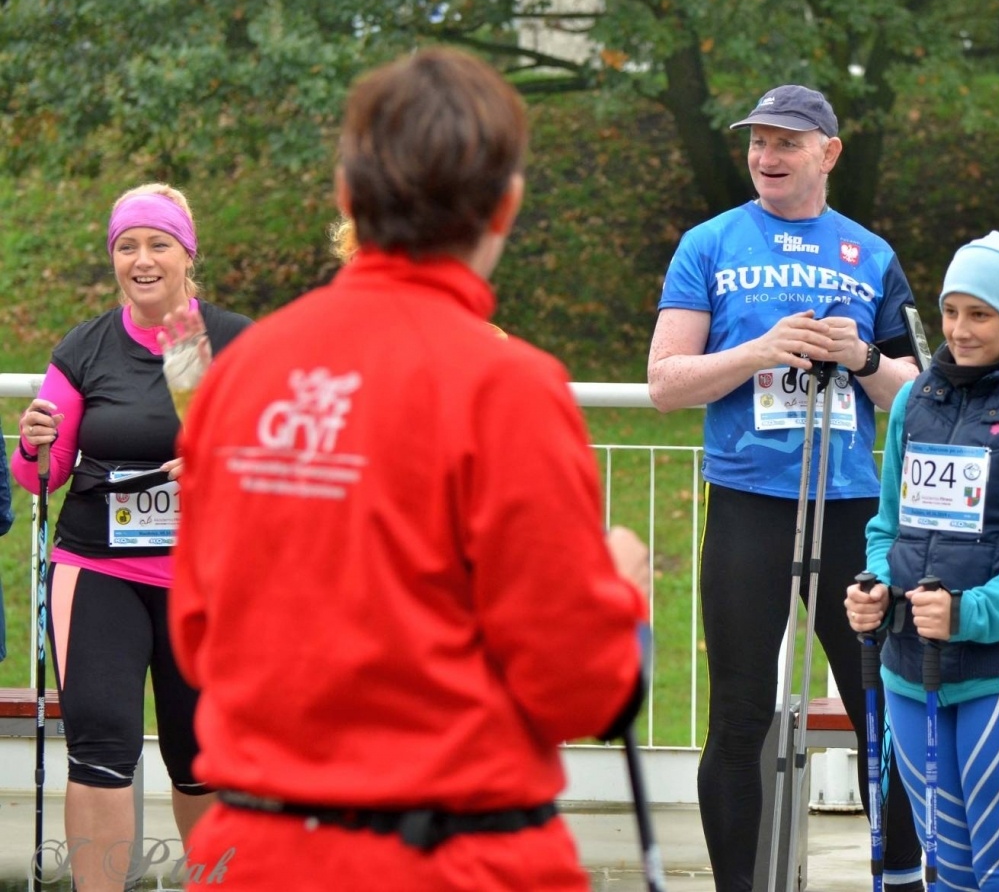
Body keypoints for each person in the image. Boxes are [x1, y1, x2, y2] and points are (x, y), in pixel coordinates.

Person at [168, 47, 650, 891]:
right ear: (506, 207)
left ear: (347, 198)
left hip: (253, 855)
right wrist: (622, 599)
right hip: (454, 861)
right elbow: (576, 685)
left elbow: (199, 635)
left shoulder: (242, 373)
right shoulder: (505, 386)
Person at [648, 84, 925, 891]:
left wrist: (864, 359)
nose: (767, 158)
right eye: (757, 143)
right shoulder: (710, 243)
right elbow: (665, 382)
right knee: (739, 714)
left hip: (851, 511)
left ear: (827, 154)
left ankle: (899, 877)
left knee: (879, 709)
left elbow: (921, 392)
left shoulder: (869, 254)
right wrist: (760, 350)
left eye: (786, 143)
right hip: (747, 506)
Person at [9, 183, 253, 892]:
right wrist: (33, 443)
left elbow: (278, 459)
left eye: (158, 244)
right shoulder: (86, 347)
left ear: (187, 254)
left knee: (202, 759)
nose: (141, 260)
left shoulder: (233, 340)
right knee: (101, 750)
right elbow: (42, 476)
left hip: (205, 579)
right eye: (127, 246)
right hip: (99, 570)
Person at [845, 231, 999, 890]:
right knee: (947, 866)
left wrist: (970, 614)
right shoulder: (913, 399)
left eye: (978, 313)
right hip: (910, 666)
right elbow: (888, 526)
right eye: (951, 310)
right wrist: (877, 588)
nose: (959, 328)